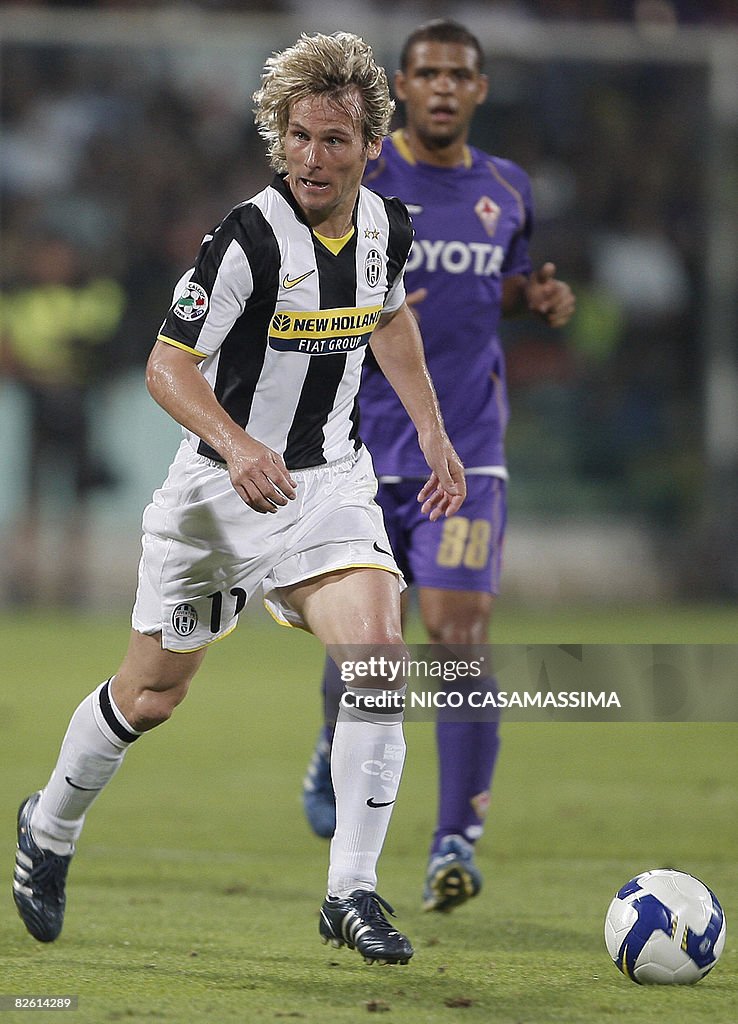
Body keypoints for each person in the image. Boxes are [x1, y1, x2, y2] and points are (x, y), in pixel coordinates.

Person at [12, 31, 466, 967]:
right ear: (279, 137)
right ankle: (48, 828)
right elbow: (166, 364)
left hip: (326, 485)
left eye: (334, 140)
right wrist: (236, 441)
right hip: (216, 495)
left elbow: (389, 318)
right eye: (298, 136)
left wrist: (429, 428)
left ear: (368, 146)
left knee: (377, 659)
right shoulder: (247, 239)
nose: (313, 156)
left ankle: (351, 892)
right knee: (151, 694)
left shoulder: (388, 226)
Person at [302, 20, 575, 912]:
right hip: (354, 452)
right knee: (369, 648)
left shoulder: (508, 188)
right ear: (402, 85)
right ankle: (336, 733)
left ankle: (455, 835)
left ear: (480, 90)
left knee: (456, 632)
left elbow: (500, 281)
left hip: (467, 454)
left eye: (461, 74)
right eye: (429, 74)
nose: (446, 87)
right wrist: (371, 305)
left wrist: (533, 297)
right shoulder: (360, 177)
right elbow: (290, 277)